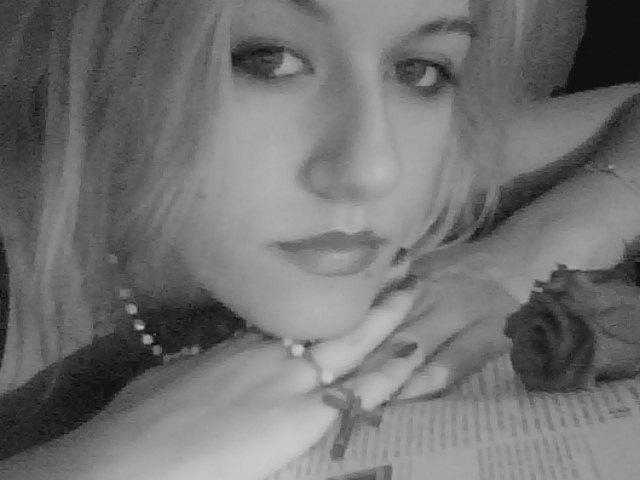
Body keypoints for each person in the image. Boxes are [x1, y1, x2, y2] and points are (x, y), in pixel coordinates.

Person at [1, 0, 639, 479]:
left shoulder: (434, 165)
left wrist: (530, 253)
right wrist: (101, 465)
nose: (373, 169)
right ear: (99, 58)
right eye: (268, 60)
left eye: (419, 70)